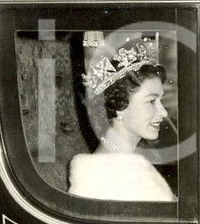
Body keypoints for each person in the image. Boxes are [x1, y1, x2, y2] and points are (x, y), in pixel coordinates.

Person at [69, 43, 177, 202]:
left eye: (161, 100)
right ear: (119, 105)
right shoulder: (100, 176)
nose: (164, 112)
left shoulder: (129, 162)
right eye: (151, 101)